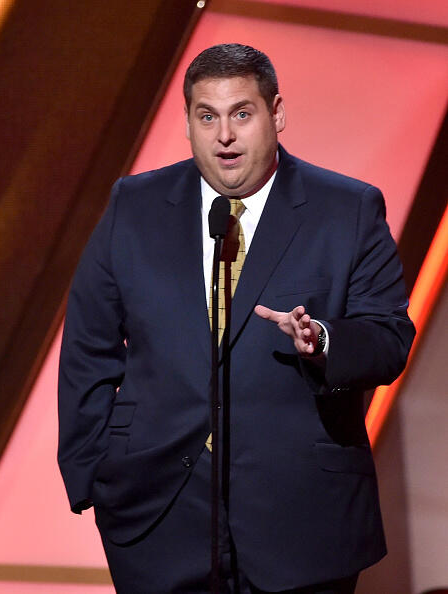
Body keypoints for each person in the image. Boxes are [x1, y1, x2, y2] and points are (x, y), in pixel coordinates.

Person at [58, 44, 415, 594]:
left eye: (241, 113)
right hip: (157, 515)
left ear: (276, 114)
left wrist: (321, 339)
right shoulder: (134, 205)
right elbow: (89, 346)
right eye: (207, 116)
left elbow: (388, 338)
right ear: (188, 123)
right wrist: (91, 474)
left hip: (301, 519)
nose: (224, 135)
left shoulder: (348, 209)